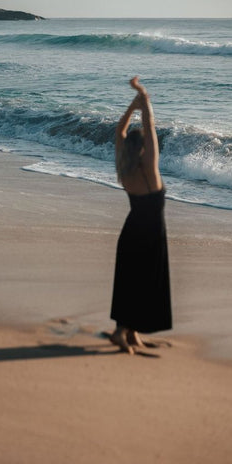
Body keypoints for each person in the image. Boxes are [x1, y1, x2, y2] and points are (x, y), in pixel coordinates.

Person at [110, 76, 172, 354]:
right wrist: (143, 97)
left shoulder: (125, 169)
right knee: (144, 283)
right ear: (144, 148)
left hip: (132, 231)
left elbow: (119, 132)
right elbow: (150, 125)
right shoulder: (149, 165)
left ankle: (132, 334)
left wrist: (132, 106)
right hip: (151, 233)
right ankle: (121, 333)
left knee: (130, 282)